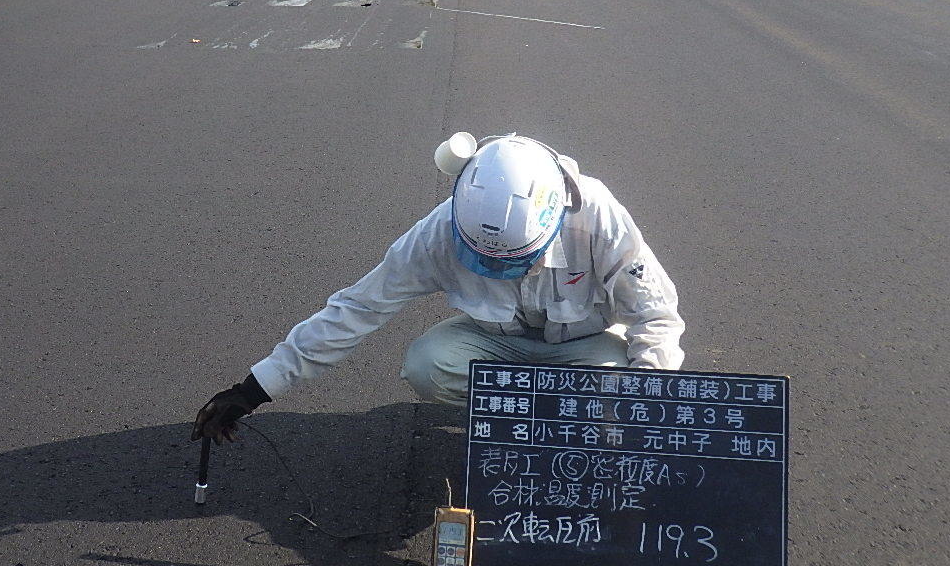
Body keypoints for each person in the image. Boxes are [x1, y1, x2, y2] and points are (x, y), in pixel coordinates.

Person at [193, 132, 685, 443]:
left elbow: (656, 317)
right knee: (427, 366)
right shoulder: (439, 230)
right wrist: (254, 388)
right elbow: (358, 307)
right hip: (497, 342)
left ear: (556, 220)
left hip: (584, 346)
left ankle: (546, 425)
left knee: (619, 385)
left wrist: (642, 407)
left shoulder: (597, 215)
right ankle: (530, 423)